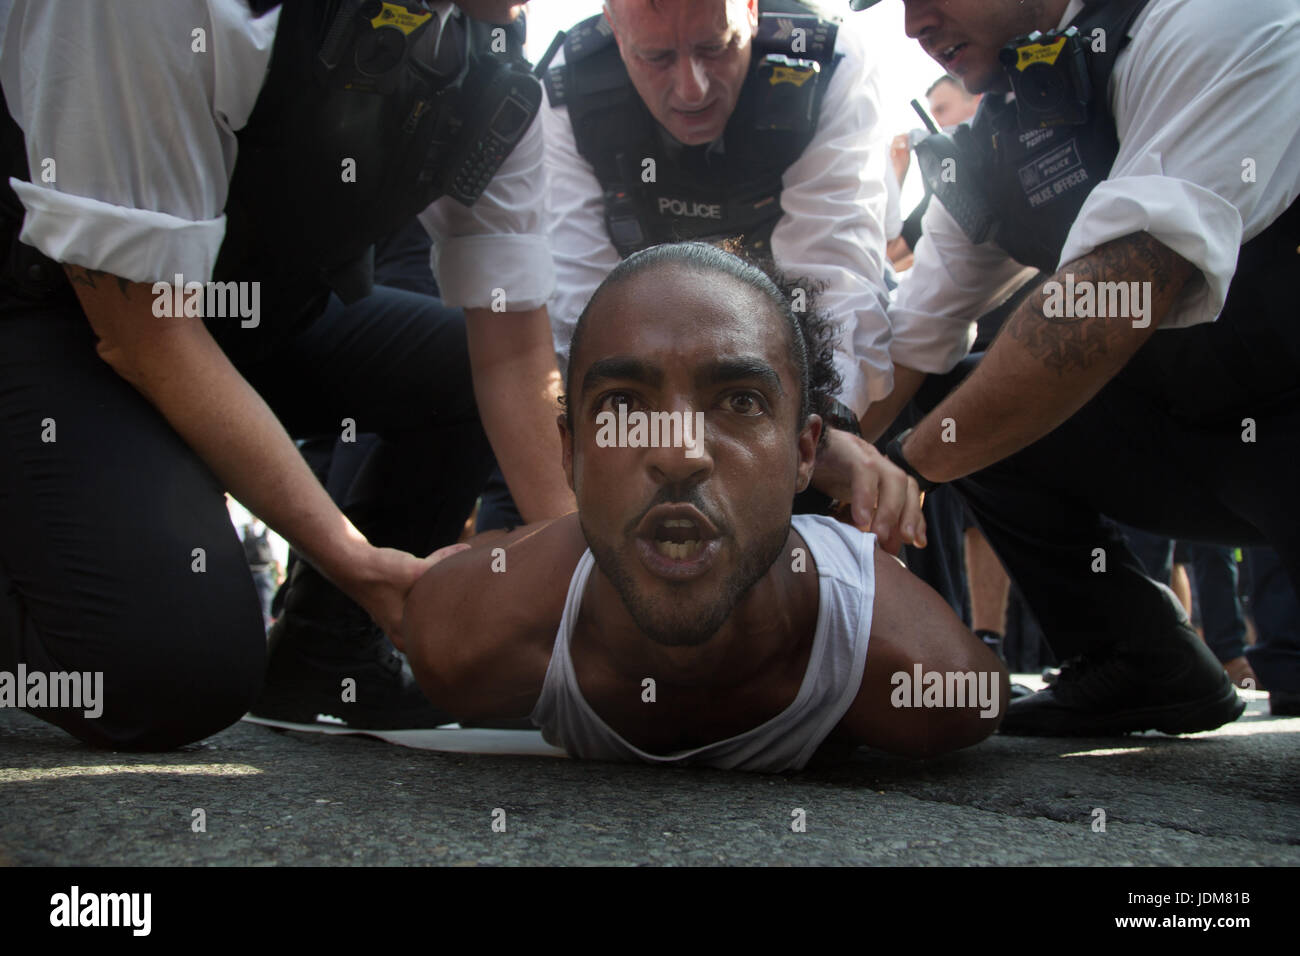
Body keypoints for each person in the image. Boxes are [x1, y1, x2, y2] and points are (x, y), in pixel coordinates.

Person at [0, 0, 566, 748]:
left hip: (242, 317)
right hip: (58, 315)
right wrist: (359, 564)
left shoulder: (489, 69)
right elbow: (144, 332)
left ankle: (326, 658)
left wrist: (584, 576)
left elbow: (513, 353)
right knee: (171, 669)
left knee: (451, 369)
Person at [852, 0, 1300, 734]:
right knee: (963, 396)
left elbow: (1118, 292)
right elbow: (910, 344)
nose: (913, 25)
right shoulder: (988, 146)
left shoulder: (1221, 18)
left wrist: (905, 469)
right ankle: (1139, 662)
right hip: (1194, 440)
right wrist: (807, 482)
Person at [403, 243, 1005, 770]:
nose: (678, 452)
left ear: (805, 454)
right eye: (623, 408)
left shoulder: (930, 685)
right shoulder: (467, 640)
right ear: (571, 453)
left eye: (740, 402)